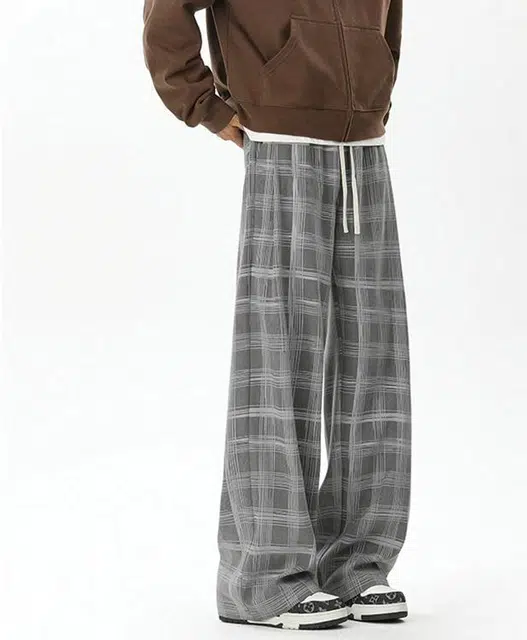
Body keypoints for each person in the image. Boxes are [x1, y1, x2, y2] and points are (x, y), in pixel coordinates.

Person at [142, 0, 411, 630]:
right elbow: (165, 14)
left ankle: (357, 564)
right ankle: (264, 578)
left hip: (363, 146)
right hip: (281, 140)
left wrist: (372, 92)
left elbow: (389, 19)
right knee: (278, 358)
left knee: (376, 365)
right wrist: (206, 106)